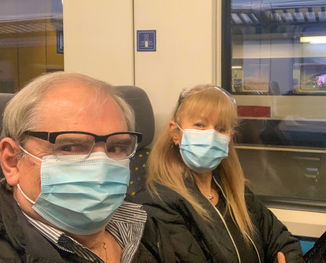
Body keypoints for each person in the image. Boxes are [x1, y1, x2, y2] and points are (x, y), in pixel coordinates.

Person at [133, 85, 304, 263]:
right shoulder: (157, 203)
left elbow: (283, 242)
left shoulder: (235, 190)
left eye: (221, 129)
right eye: (200, 125)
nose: (211, 135)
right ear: (176, 133)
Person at [0, 72, 148, 263]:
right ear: (12, 161)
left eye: (116, 147)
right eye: (69, 147)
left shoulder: (149, 224)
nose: (101, 168)